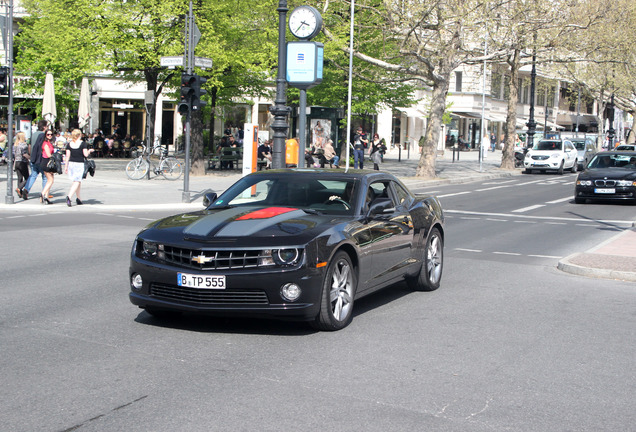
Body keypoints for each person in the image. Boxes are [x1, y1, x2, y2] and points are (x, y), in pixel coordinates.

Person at [63, 129, 94, 206]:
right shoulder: (83, 144)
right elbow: (85, 154)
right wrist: (90, 151)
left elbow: (67, 156)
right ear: (79, 135)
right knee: (77, 181)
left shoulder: (69, 144)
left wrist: (66, 166)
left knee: (77, 181)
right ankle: (69, 196)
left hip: (71, 163)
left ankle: (79, 198)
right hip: (79, 163)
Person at [23, 120, 49, 198]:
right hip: (41, 158)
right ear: (44, 127)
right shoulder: (43, 135)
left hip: (33, 158)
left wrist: (31, 156)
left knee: (33, 175)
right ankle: (44, 193)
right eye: (47, 126)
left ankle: (26, 189)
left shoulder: (33, 134)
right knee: (45, 177)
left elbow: (29, 145)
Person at [39, 129, 56, 204]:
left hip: (49, 162)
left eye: (51, 134)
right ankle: (42, 194)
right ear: (45, 135)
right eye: (48, 134)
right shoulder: (45, 143)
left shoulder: (50, 143)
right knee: (50, 180)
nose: (50, 136)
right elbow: (48, 154)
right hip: (46, 162)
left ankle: (46, 197)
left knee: (50, 179)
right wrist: (55, 156)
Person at [13, 131, 30, 199]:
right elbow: (24, 154)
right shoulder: (24, 145)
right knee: (28, 178)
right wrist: (30, 158)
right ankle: (19, 188)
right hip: (22, 162)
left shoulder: (15, 145)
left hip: (16, 162)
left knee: (19, 177)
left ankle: (19, 192)